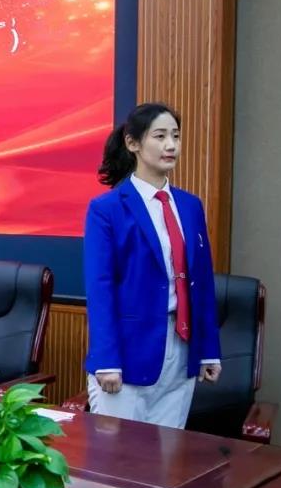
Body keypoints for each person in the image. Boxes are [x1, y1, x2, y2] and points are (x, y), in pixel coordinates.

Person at [84, 103, 221, 429]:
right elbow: (100, 287)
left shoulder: (190, 205)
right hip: (128, 351)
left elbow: (202, 281)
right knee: (117, 453)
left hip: (181, 348)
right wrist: (106, 359)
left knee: (167, 451)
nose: (171, 145)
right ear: (133, 143)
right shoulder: (107, 208)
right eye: (159, 136)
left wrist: (209, 350)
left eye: (176, 136)